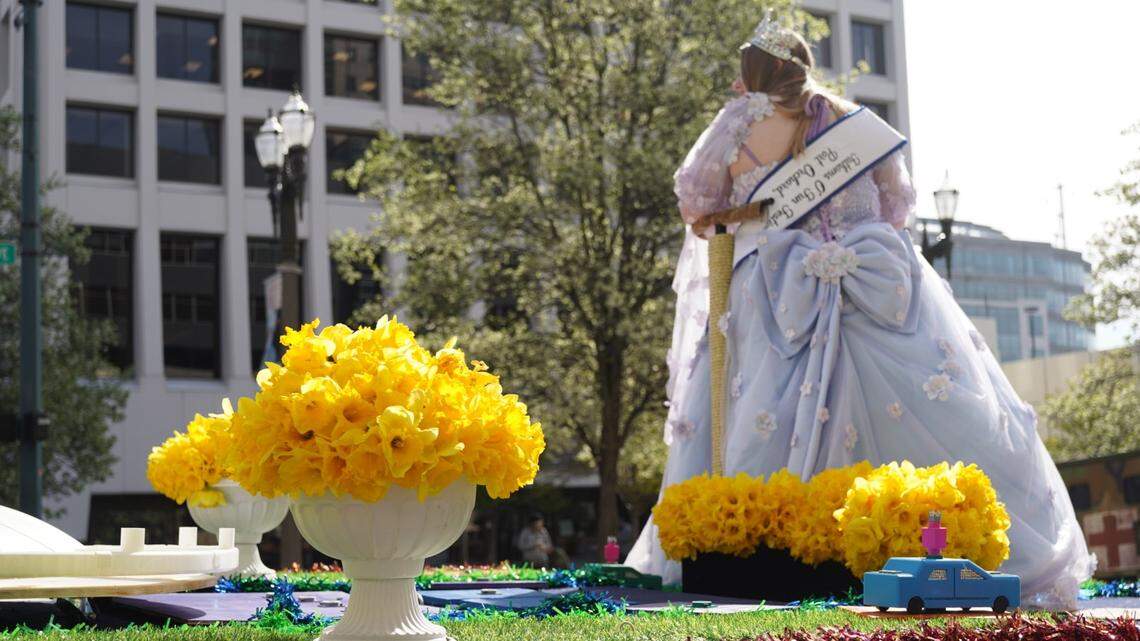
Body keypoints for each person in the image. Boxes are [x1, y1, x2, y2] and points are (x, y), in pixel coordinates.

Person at [625, 13, 1092, 610]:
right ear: (804, 68)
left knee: (752, 424)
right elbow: (897, 203)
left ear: (752, 74)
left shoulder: (738, 126)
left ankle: (780, 556)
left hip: (774, 293)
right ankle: (925, 545)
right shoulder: (853, 122)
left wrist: (755, 212)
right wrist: (850, 248)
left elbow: (695, 201)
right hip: (876, 282)